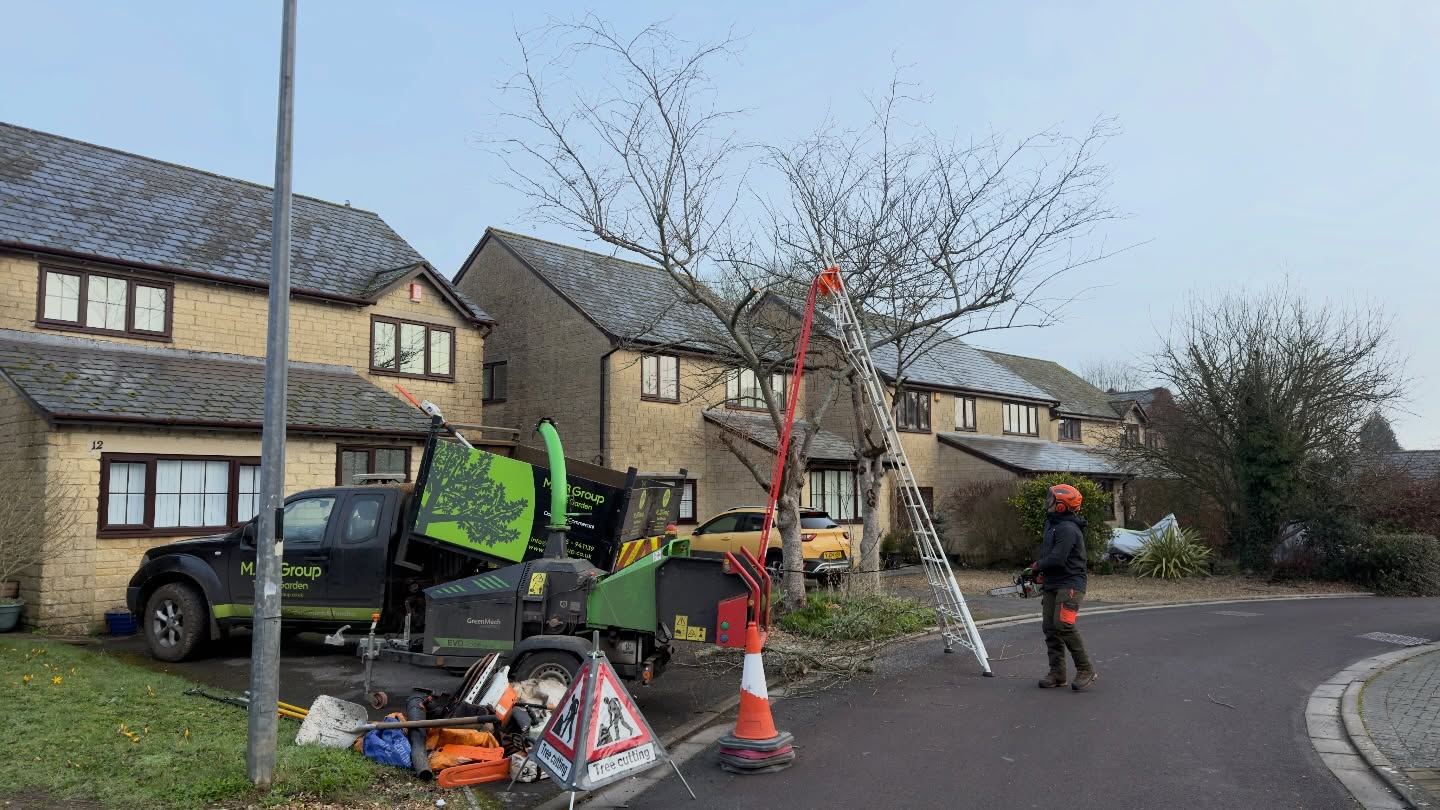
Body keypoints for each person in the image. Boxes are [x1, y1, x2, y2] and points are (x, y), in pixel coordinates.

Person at [1033, 484, 1096, 691]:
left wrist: (1037, 566)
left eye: (1052, 500)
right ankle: (1057, 673)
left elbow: (1058, 558)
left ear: (1062, 506)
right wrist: (1042, 573)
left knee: (1063, 625)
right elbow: (1049, 555)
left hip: (1070, 584)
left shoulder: (1068, 529)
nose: (1047, 502)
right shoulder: (1052, 524)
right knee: (1050, 628)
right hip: (1053, 583)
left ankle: (1086, 669)